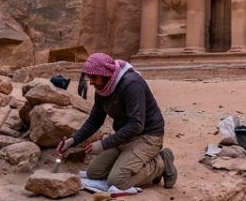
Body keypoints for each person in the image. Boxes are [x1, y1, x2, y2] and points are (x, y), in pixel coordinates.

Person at [56, 53, 177, 190]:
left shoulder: (131, 84)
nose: (91, 82)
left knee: (117, 181)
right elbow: (95, 120)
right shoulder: (103, 89)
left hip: (148, 136)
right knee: (93, 173)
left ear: (106, 74)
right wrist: (73, 140)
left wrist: (104, 144)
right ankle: (130, 163)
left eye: (94, 77)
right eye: (90, 78)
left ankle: (161, 163)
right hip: (125, 136)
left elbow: (137, 124)